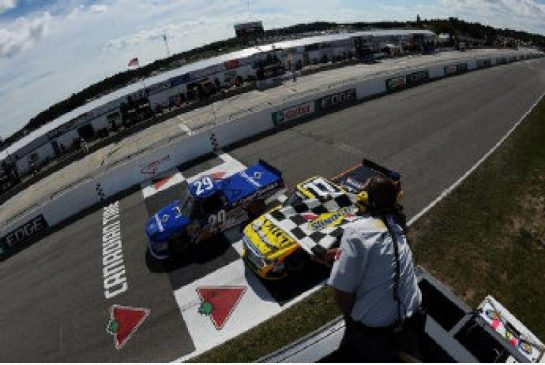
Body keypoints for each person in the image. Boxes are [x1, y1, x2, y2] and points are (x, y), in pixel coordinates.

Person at [327, 175, 423, 362]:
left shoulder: (356, 233)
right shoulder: (397, 225)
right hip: (412, 323)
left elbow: (342, 292)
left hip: (375, 338)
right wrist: (342, 253)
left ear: (366, 200)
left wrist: (352, 322)